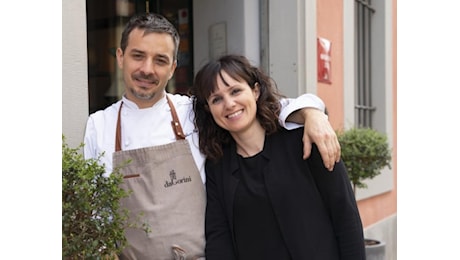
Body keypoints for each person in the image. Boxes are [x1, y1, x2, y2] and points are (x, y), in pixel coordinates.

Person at [83, 13, 340, 259]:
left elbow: (263, 109)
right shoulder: (99, 125)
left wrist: (311, 113)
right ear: (120, 57)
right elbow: (96, 215)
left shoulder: (194, 111)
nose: (147, 69)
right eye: (138, 56)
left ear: (172, 68)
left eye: (160, 60)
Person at [190, 54, 365, 260]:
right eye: (216, 99)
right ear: (208, 109)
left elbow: (346, 217)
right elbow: (220, 238)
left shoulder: (305, 141)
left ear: (255, 91)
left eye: (235, 91)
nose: (229, 104)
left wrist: (312, 113)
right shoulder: (216, 166)